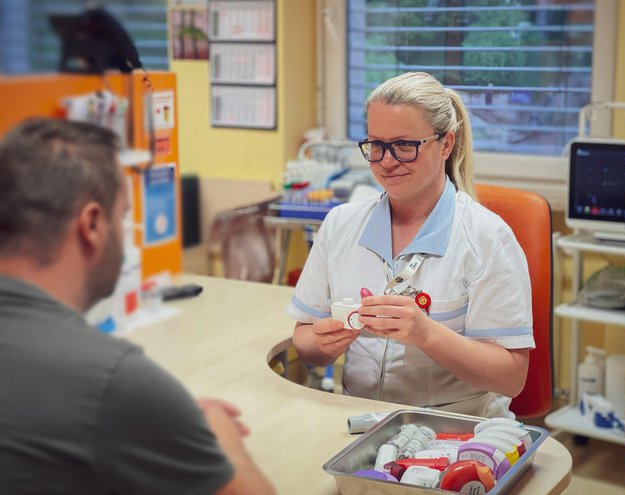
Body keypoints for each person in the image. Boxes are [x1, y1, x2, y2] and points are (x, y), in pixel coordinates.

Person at [0, 118, 274, 495]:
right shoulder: (111, 380)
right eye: (123, 216)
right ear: (93, 224)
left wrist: (152, 417)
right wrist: (221, 438)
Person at [289, 72, 534, 418]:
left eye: (404, 146)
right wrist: (322, 344)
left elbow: (511, 378)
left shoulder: (487, 239)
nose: (387, 161)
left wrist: (426, 334)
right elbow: (304, 341)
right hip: (359, 423)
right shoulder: (340, 225)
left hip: (455, 431)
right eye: (376, 145)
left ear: (445, 144)